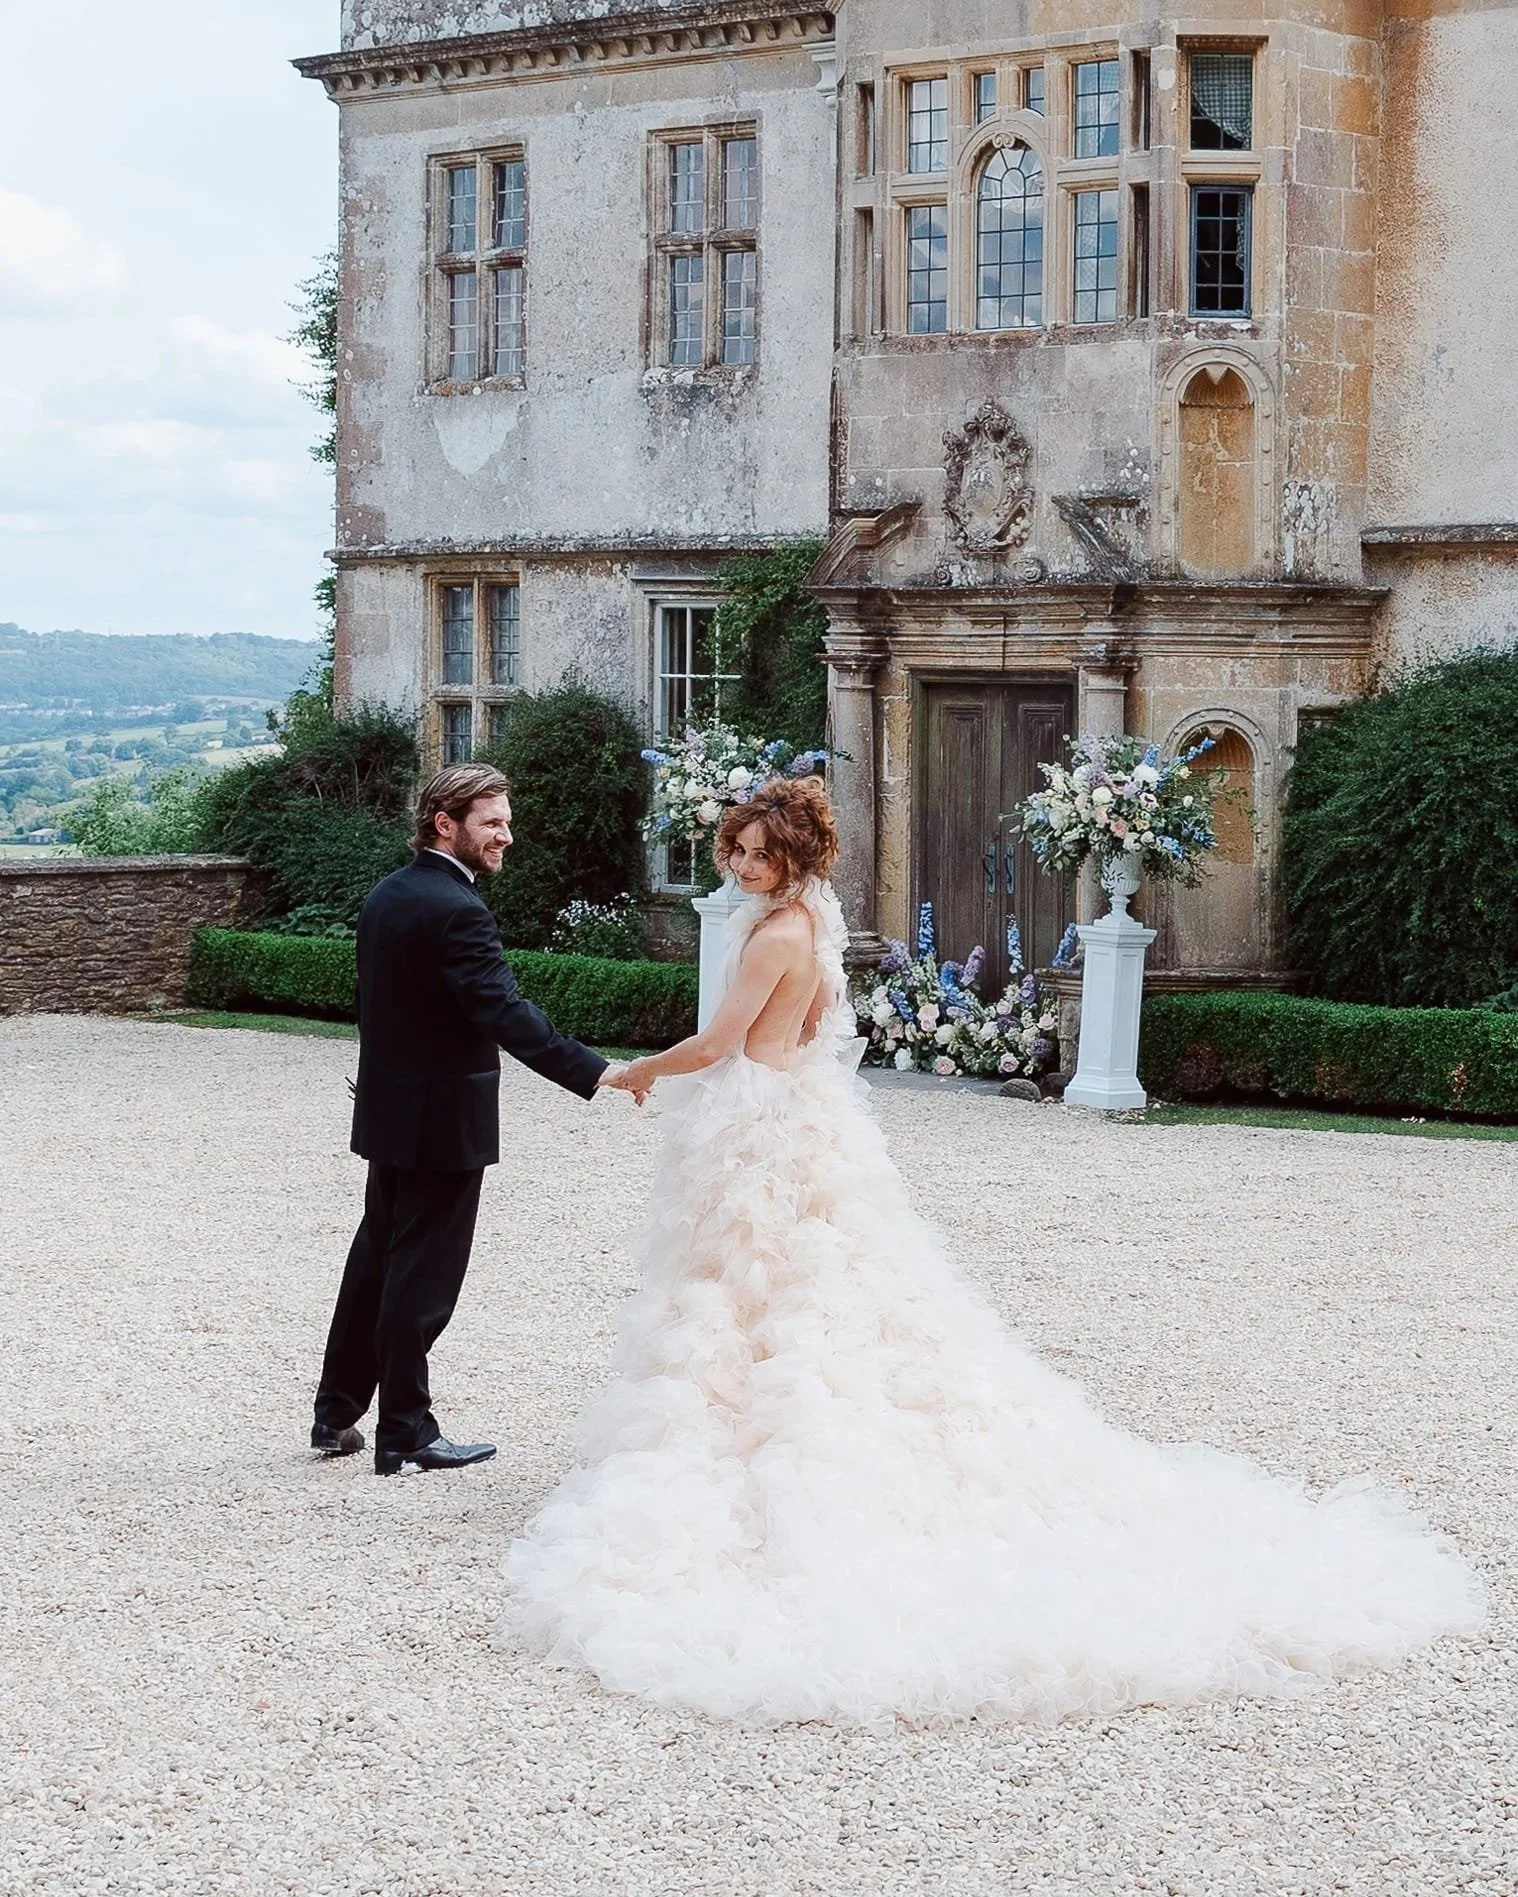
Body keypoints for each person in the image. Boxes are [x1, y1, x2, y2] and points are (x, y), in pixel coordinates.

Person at [505, 774, 1484, 1726]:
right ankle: (754, 1418)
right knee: (807, 1287)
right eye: (741, 851)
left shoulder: (777, 935)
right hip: (800, 1116)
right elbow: (807, 1034)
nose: (749, 866)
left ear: (796, 859)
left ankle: (763, 1441)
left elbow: (721, 1040)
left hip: (759, 1127)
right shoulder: (810, 927)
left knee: (761, 1284)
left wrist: (630, 1072)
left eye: (766, 854)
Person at [312, 764, 631, 1477]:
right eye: (492, 822)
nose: (506, 836)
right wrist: (594, 1069)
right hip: (441, 1120)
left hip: (391, 1110)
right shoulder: (458, 908)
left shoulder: (388, 894)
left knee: (374, 1264)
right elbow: (501, 1011)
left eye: (506, 821)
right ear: (443, 823)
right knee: (420, 1279)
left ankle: (335, 1415)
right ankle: (405, 1432)